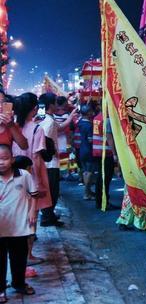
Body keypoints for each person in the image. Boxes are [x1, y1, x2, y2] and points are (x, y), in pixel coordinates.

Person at [13, 93, 53, 276]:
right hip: (31, 177)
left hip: (13, 177)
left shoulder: (12, 127)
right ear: (35, 109)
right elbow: (36, 158)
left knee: (18, 217)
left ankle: (19, 255)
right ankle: (28, 254)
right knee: (31, 219)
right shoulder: (37, 129)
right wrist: (39, 185)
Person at [0, 144, 38, 304]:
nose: (1, 162)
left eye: (5, 158)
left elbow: (34, 195)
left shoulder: (24, 176)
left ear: (12, 159)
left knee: (19, 257)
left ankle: (19, 283)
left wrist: (32, 212)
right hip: (1, 226)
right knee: (0, 261)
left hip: (19, 226)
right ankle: (1, 291)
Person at [39, 93, 77, 227]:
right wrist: (54, 152)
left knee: (51, 191)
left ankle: (49, 216)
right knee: (52, 192)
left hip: (48, 163)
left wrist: (71, 117)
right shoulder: (48, 121)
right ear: (50, 105)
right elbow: (46, 141)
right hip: (50, 163)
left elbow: (59, 128)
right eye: (56, 103)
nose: (58, 105)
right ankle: (47, 218)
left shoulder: (46, 118)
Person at [92, 110, 118, 210]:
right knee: (105, 179)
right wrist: (115, 153)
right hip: (105, 153)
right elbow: (109, 137)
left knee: (100, 178)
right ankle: (104, 202)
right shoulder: (106, 120)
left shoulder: (97, 117)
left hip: (97, 151)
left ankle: (100, 201)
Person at [77, 105, 96, 201]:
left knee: (85, 171)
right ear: (88, 113)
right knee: (89, 172)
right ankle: (86, 192)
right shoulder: (89, 125)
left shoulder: (80, 123)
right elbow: (90, 140)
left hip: (82, 149)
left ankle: (88, 191)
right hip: (88, 150)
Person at [53, 96, 72, 179]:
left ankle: (59, 174)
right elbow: (68, 130)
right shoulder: (67, 115)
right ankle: (65, 174)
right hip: (64, 139)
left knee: (56, 157)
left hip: (55, 138)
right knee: (65, 157)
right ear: (64, 103)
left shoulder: (52, 114)